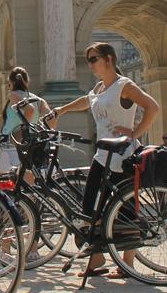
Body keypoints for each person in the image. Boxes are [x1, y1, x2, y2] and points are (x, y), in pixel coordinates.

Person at [50, 41, 160, 280]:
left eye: (93, 59)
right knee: (89, 210)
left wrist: (135, 132)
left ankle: (127, 264)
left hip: (123, 155)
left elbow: (152, 107)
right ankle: (98, 258)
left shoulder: (125, 85)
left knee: (126, 211)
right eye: (89, 59)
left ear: (109, 59)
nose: (90, 64)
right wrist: (62, 110)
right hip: (102, 157)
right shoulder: (99, 88)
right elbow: (86, 101)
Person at [0, 67, 52, 171]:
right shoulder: (39, 100)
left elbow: (30, 110)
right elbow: (51, 117)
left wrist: (22, 132)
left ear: (11, 82)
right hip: (32, 144)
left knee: (2, 179)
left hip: (13, 145)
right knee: (27, 179)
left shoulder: (13, 95)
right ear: (27, 81)